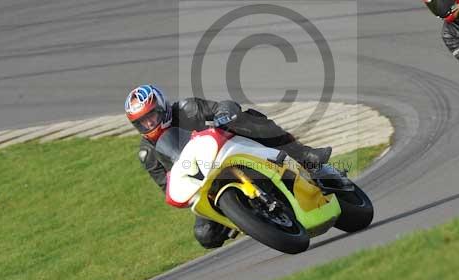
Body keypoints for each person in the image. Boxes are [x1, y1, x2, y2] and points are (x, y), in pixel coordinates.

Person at [125, 84, 332, 248]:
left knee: (248, 118)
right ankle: (245, 218)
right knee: (206, 235)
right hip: (205, 184)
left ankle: (303, 154)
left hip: (229, 150)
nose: (150, 124)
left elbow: (223, 107)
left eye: (151, 116)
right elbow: (167, 187)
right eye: (143, 122)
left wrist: (224, 114)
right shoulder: (148, 154)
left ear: (162, 108)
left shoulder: (188, 108)